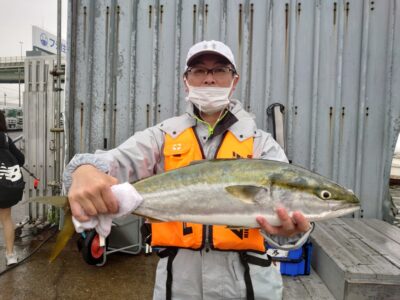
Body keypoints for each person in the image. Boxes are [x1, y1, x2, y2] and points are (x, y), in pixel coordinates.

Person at [64, 40, 312, 300]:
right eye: (199, 71)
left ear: (234, 80)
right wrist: (84, 169)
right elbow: (114, 160)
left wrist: (292, 233)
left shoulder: (262, 143)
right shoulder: (162, 136)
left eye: (219, 70)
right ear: (186, 80)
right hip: (178, 283)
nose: (209, 79)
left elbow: (290, 224)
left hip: (250, 283)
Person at [0, 111, 25, 266]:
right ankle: (10, 255)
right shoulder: (5, 139)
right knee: (6, 219)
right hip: (4, 186)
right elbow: (21, 160)